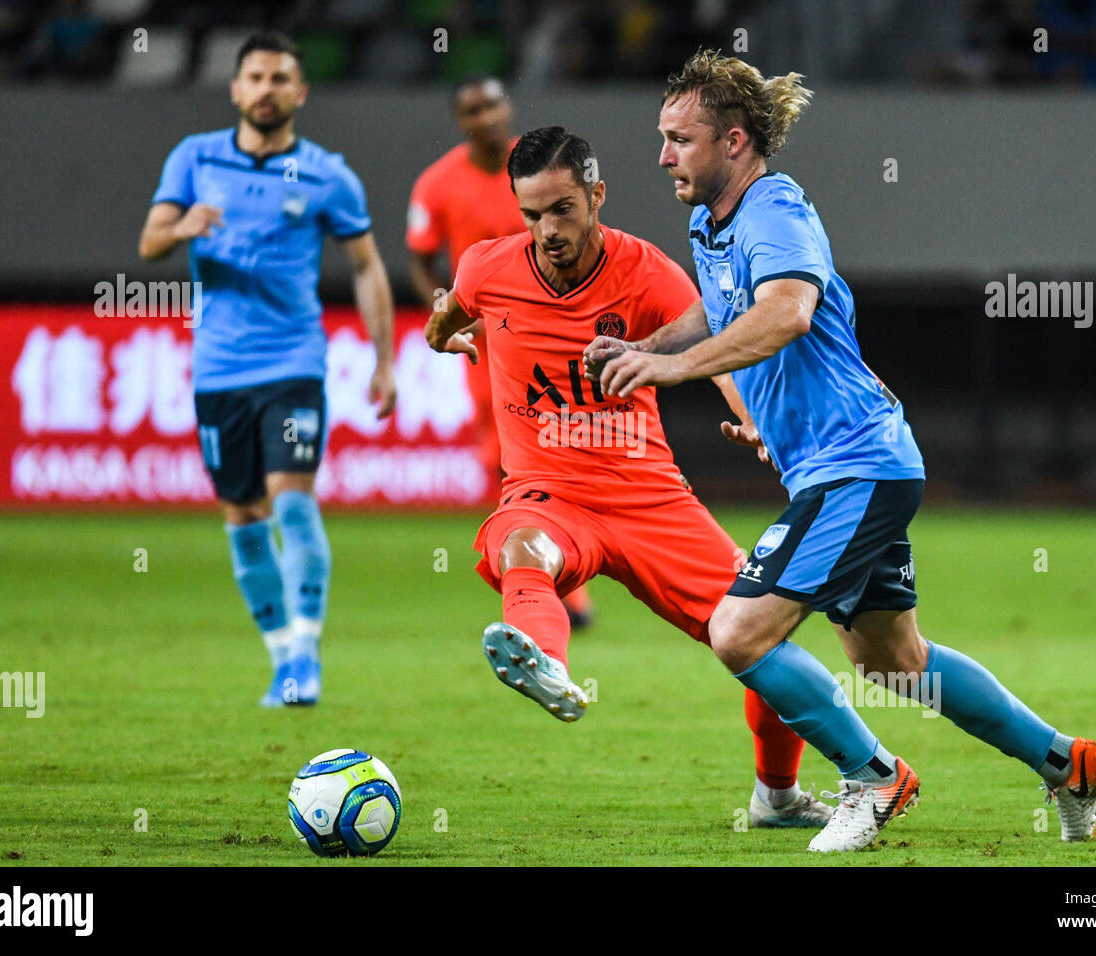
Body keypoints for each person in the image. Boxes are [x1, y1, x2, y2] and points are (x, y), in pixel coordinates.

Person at [592, 49, 1096, 852]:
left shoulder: (775, 211)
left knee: (737, 631)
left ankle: (872, 777)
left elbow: (788, 313)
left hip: (855, 467)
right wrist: (646, 347)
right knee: (895, 659)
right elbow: (723, 308)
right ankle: (1067, 762)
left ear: (734, 141)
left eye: (679, 138)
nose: (663, 155)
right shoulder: (712, 220)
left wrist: (666, 369)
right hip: (845, 464)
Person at [426, 125, 847, 829]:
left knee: (760, 640)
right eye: (531, 215)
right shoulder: (487, 268)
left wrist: (749, 416)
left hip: (650, 497)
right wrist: (447, 335)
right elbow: (449, 310)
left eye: (562, 209)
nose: (546, 230)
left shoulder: (646, 270)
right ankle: (546, 663)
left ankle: (777, 796)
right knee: (521, 549)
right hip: (549, 491)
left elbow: (715, 341)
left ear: (596, 196)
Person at [138, 31, 397, 707]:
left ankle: (307, 653)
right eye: (255, 76)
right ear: (236, 88)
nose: (266, 89)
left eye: (281, 78)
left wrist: (384, 359)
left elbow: (367, 264)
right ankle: (281, 657)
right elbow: (149, 243)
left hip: (293, 362)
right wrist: (182, 228)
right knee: (243, 514)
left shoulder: (326, 174)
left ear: (300, 93)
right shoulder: (194, 159)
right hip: (218, 370)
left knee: (292, 498)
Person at [408, 74, 594, 629]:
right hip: (490, 343)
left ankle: (570, 573)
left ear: (506, 107)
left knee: (565, 444)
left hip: (556, 331)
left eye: (491, 105)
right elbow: (420, 259)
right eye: (472, 110)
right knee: (505, 458)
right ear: (460, 121)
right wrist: (448, 312)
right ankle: (556, 582)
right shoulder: (437, 185)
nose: (485, 117)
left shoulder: (541, 171)